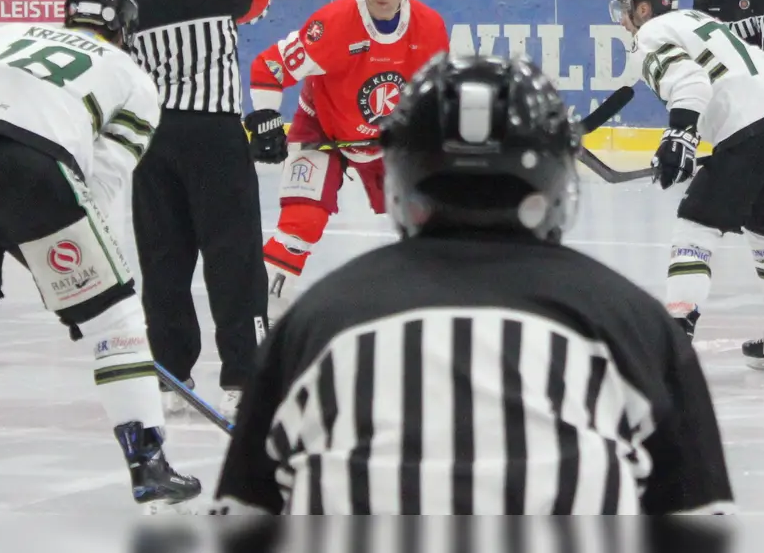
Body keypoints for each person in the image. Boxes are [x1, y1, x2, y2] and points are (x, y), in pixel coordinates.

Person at [214, 55, 734, 514]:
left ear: (401, 174)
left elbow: (245, 509)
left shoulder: (318, 321)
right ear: (556, 177)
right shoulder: (632, 321)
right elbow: (696, 512)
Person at [0, 0, 202, 515]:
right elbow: (103, 179)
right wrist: (88, 283)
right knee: (117, 322)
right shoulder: (134, 76)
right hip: (36, 169)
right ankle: (148, 463)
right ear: (126, 25)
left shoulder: (8, 32)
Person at [614, 0, 764, 369]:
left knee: (695, 227)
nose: (622, 16)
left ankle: (673, 342)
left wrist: (680, 136)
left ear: (643, 8)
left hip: (749, 135)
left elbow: (689, 81)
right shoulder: (704, 20)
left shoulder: (650, 35)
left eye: (626, 7)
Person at [124, 0, 272, 420]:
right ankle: (244, 370)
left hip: (151, 140)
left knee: (164, 258)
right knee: (233, 256)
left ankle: (169, 370)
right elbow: (259, 5)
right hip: (213, 135)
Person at [246, 0, 450, 319]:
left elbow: (434, 95)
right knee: (299, 225)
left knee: (434, 220)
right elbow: (268, 68)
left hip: (391, 141)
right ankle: (259, 314)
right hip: (323, 130)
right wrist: (266, 120)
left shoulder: (430, 29)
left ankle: (434, 306)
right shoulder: (333, 25)